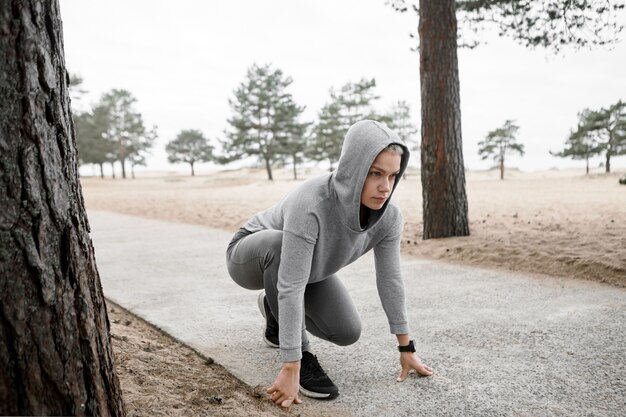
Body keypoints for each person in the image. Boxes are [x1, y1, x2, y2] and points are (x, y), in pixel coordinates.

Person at [226, 120, 433, 408]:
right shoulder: (311, 201)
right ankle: (302, 354)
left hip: (304, 269)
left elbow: (390, 279)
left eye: (392, 175)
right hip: (250, 254)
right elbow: (291, 284)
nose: (385, 187)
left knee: (347, 332)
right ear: (353, 168)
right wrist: (292, 364)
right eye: (375, 174)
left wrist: (406, 347)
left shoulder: (389, 217)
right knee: (279, 247)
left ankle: (273, 313)